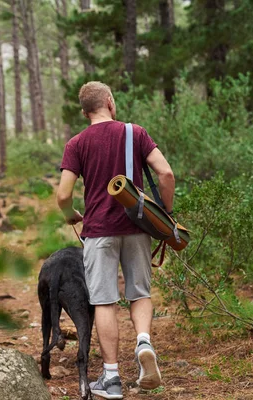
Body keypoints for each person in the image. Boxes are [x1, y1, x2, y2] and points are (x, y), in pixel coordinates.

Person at [56, 81, 175, 399]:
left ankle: (111, 379)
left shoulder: (77, 143)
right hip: (137, 227)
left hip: (98, 231)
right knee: (139, 293)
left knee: (104, 301)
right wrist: (165, 213)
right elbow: (166, 174)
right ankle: (144, 342)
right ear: (109, 101)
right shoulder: (135, 132)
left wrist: (71, 215)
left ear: (84, 112)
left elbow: (64, 194)